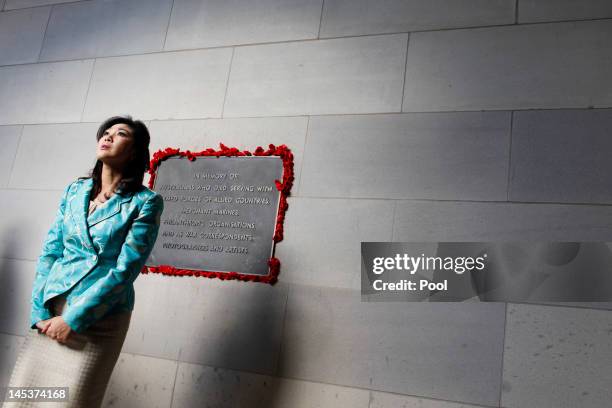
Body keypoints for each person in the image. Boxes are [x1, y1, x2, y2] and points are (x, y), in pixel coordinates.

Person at [3, 115, 164, 408]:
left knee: (72, 402)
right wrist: (39, 311)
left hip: (100, 316)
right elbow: (50, 251)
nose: (109, 136)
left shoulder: (145, 201)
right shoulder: (74, 190)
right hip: (51, 310)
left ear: (135, 152)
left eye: (121, 133)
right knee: (25, 399)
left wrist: (73, 320)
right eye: (106, 132)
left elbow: (124, 271)